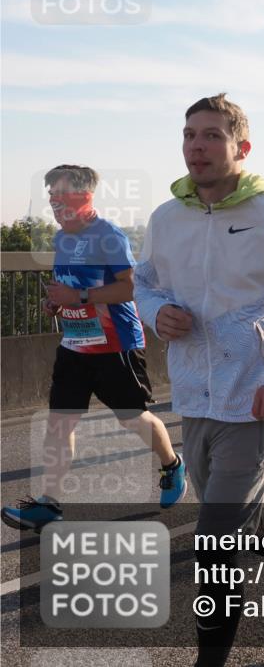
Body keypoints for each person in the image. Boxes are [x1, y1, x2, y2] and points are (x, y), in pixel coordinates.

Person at [133, 94, 264, 667]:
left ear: (241, 148)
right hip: (194, 395)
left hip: (258, 399)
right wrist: (156, 312)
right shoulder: (166, 218)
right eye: (189, 135)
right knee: (236, 523)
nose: (196, 147)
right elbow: (144, 282)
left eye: (211, 136)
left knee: (216, 543)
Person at [2, 165, 186, 532]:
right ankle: (49, 504)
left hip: (115, 344)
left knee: (132, 418)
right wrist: (56, 302)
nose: (54, 203)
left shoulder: (108, 236)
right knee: (59, 424)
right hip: (74, 345)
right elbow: (67, 283)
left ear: (85, 196)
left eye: (62, 195)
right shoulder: (60, 239)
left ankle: (171, 464)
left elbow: (131, 288)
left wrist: (80, 296)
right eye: (51, 196)